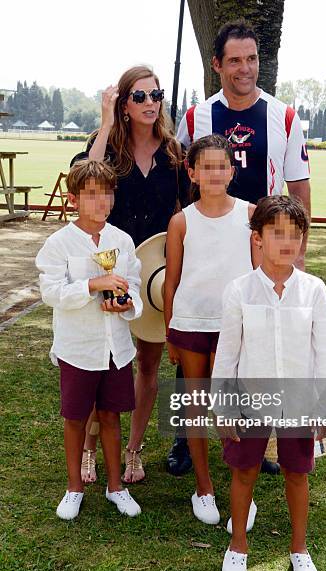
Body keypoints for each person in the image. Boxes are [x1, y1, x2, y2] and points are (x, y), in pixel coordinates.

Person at [168, 19, 311, 475]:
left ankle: (254, 438)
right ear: (217, 65)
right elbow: (181, 175)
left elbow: (299, 189)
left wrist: (296, 257)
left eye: (251, 59)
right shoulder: (197, 116)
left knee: (255, 342)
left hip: (260, 249)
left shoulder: (284, 117)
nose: (245, 69)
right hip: (209, 239)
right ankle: (185, 444)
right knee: (196, 333)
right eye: (235, 60)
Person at [211, 195, 326, 571]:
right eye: (276, 232)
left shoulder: (314, 290)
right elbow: (229, 353)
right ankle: (237, 545)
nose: (287, 242)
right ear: (258, 238)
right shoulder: (239, 291)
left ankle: (299, 548)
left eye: (295, 234)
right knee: (244, 471)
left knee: (296, 474)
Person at [71, 65, 190, 484]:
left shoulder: (175, 153)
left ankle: (133, 449)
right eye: (139, 96)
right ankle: (88, 447)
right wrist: (104, 125)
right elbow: (85, 179)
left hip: (155, 269)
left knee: (148, 363)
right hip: (108, 266)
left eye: (155, 95)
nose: (150, 103)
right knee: (99, 361)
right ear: (123, 104)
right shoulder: (105, 145)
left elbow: (189, 211)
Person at [35, 160, 143, 520]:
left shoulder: (122, 240)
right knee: (76, 418)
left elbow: (136, 287)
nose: (102, 202)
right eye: (92, 194)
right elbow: (51, 292)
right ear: (73, 198)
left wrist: (125, 304)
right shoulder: (59, 243)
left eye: (107, 193)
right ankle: (74, 488)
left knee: (112, 416)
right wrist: (93, 285)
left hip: (116, 349)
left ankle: (116, 487)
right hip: (78, 348)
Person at [163, 134, 261, 524]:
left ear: (232, 171)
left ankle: (242, 487)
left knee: (231, 410)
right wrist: (170, 330)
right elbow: (171, 282)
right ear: (192, 172)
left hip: (232, 328)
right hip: (189, 324)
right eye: (206, 167)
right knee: (196, 406)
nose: (215, 173)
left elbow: (257, 276)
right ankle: (203, 488)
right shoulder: (181, 221)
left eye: (222, 166)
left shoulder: (250, 214)